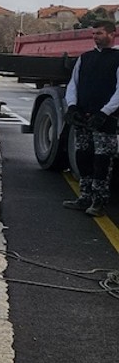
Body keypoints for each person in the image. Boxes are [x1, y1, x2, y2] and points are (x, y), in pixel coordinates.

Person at [62, 21, 119, 217]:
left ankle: (99, 201)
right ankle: (84, 196)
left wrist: (105, 112)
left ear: (112, 34)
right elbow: (73, 85)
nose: (95, 37)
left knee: (102, 160)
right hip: (83, 117)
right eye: (94, 33)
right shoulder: (85, 58)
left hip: (106, 119)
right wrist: (72, 107)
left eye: (100, 33)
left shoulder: (117, 58)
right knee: (83, 156)